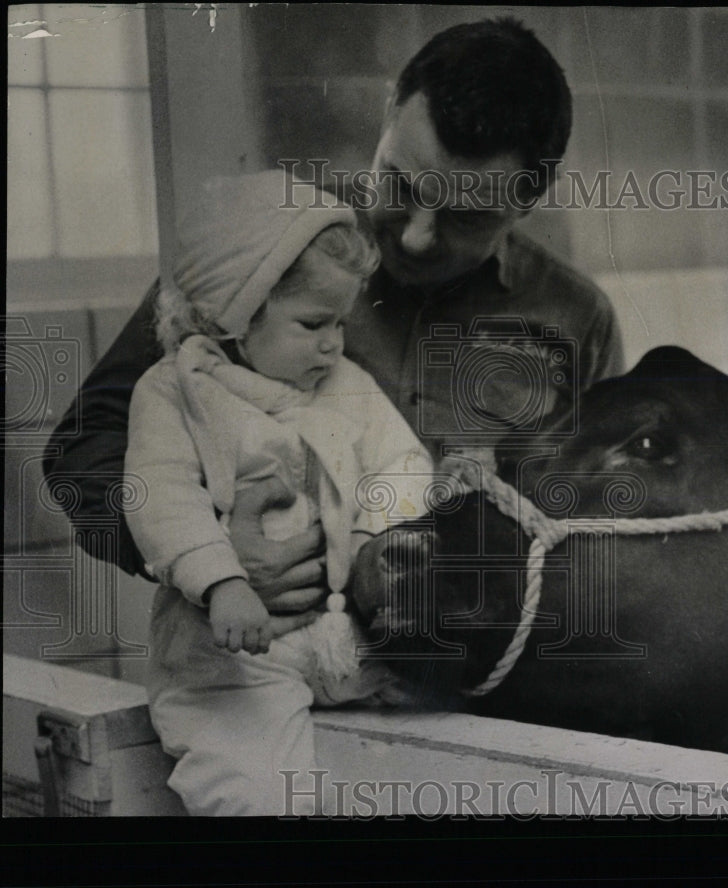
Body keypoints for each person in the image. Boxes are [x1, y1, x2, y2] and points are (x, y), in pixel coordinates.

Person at [44, 17, 625, 617]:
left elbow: (605, 530)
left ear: (528, 200)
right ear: (387, 112)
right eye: (400, 185)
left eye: (467, 216)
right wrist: (211, 559)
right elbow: (85, 447)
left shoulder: (578, 320)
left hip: (468, 677)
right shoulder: (261, 244)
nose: (419, 238)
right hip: (264, 664)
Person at [124, 170, 435, 815]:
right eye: (313, 323)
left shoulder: (343, 382)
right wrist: (222, 581)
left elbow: (401, 461)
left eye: (341, 324)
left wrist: (377, 536)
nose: (333, 344)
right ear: (236, 314)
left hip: (351, 634)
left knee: (458, 698)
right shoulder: (175, 391)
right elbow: (159, 492)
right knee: (251, 787)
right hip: (236, 655)